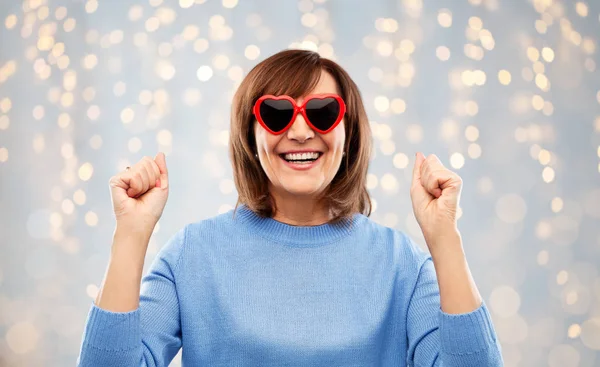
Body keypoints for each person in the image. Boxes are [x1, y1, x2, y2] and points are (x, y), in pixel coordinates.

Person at [77, 49, 503, 366]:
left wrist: (444, 237)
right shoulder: (194, 252)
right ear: (251, 135)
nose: (300, 131)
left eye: (322, 112)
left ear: (348, 132)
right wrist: (130, 235)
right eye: (277, 113)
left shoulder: (401, 263)